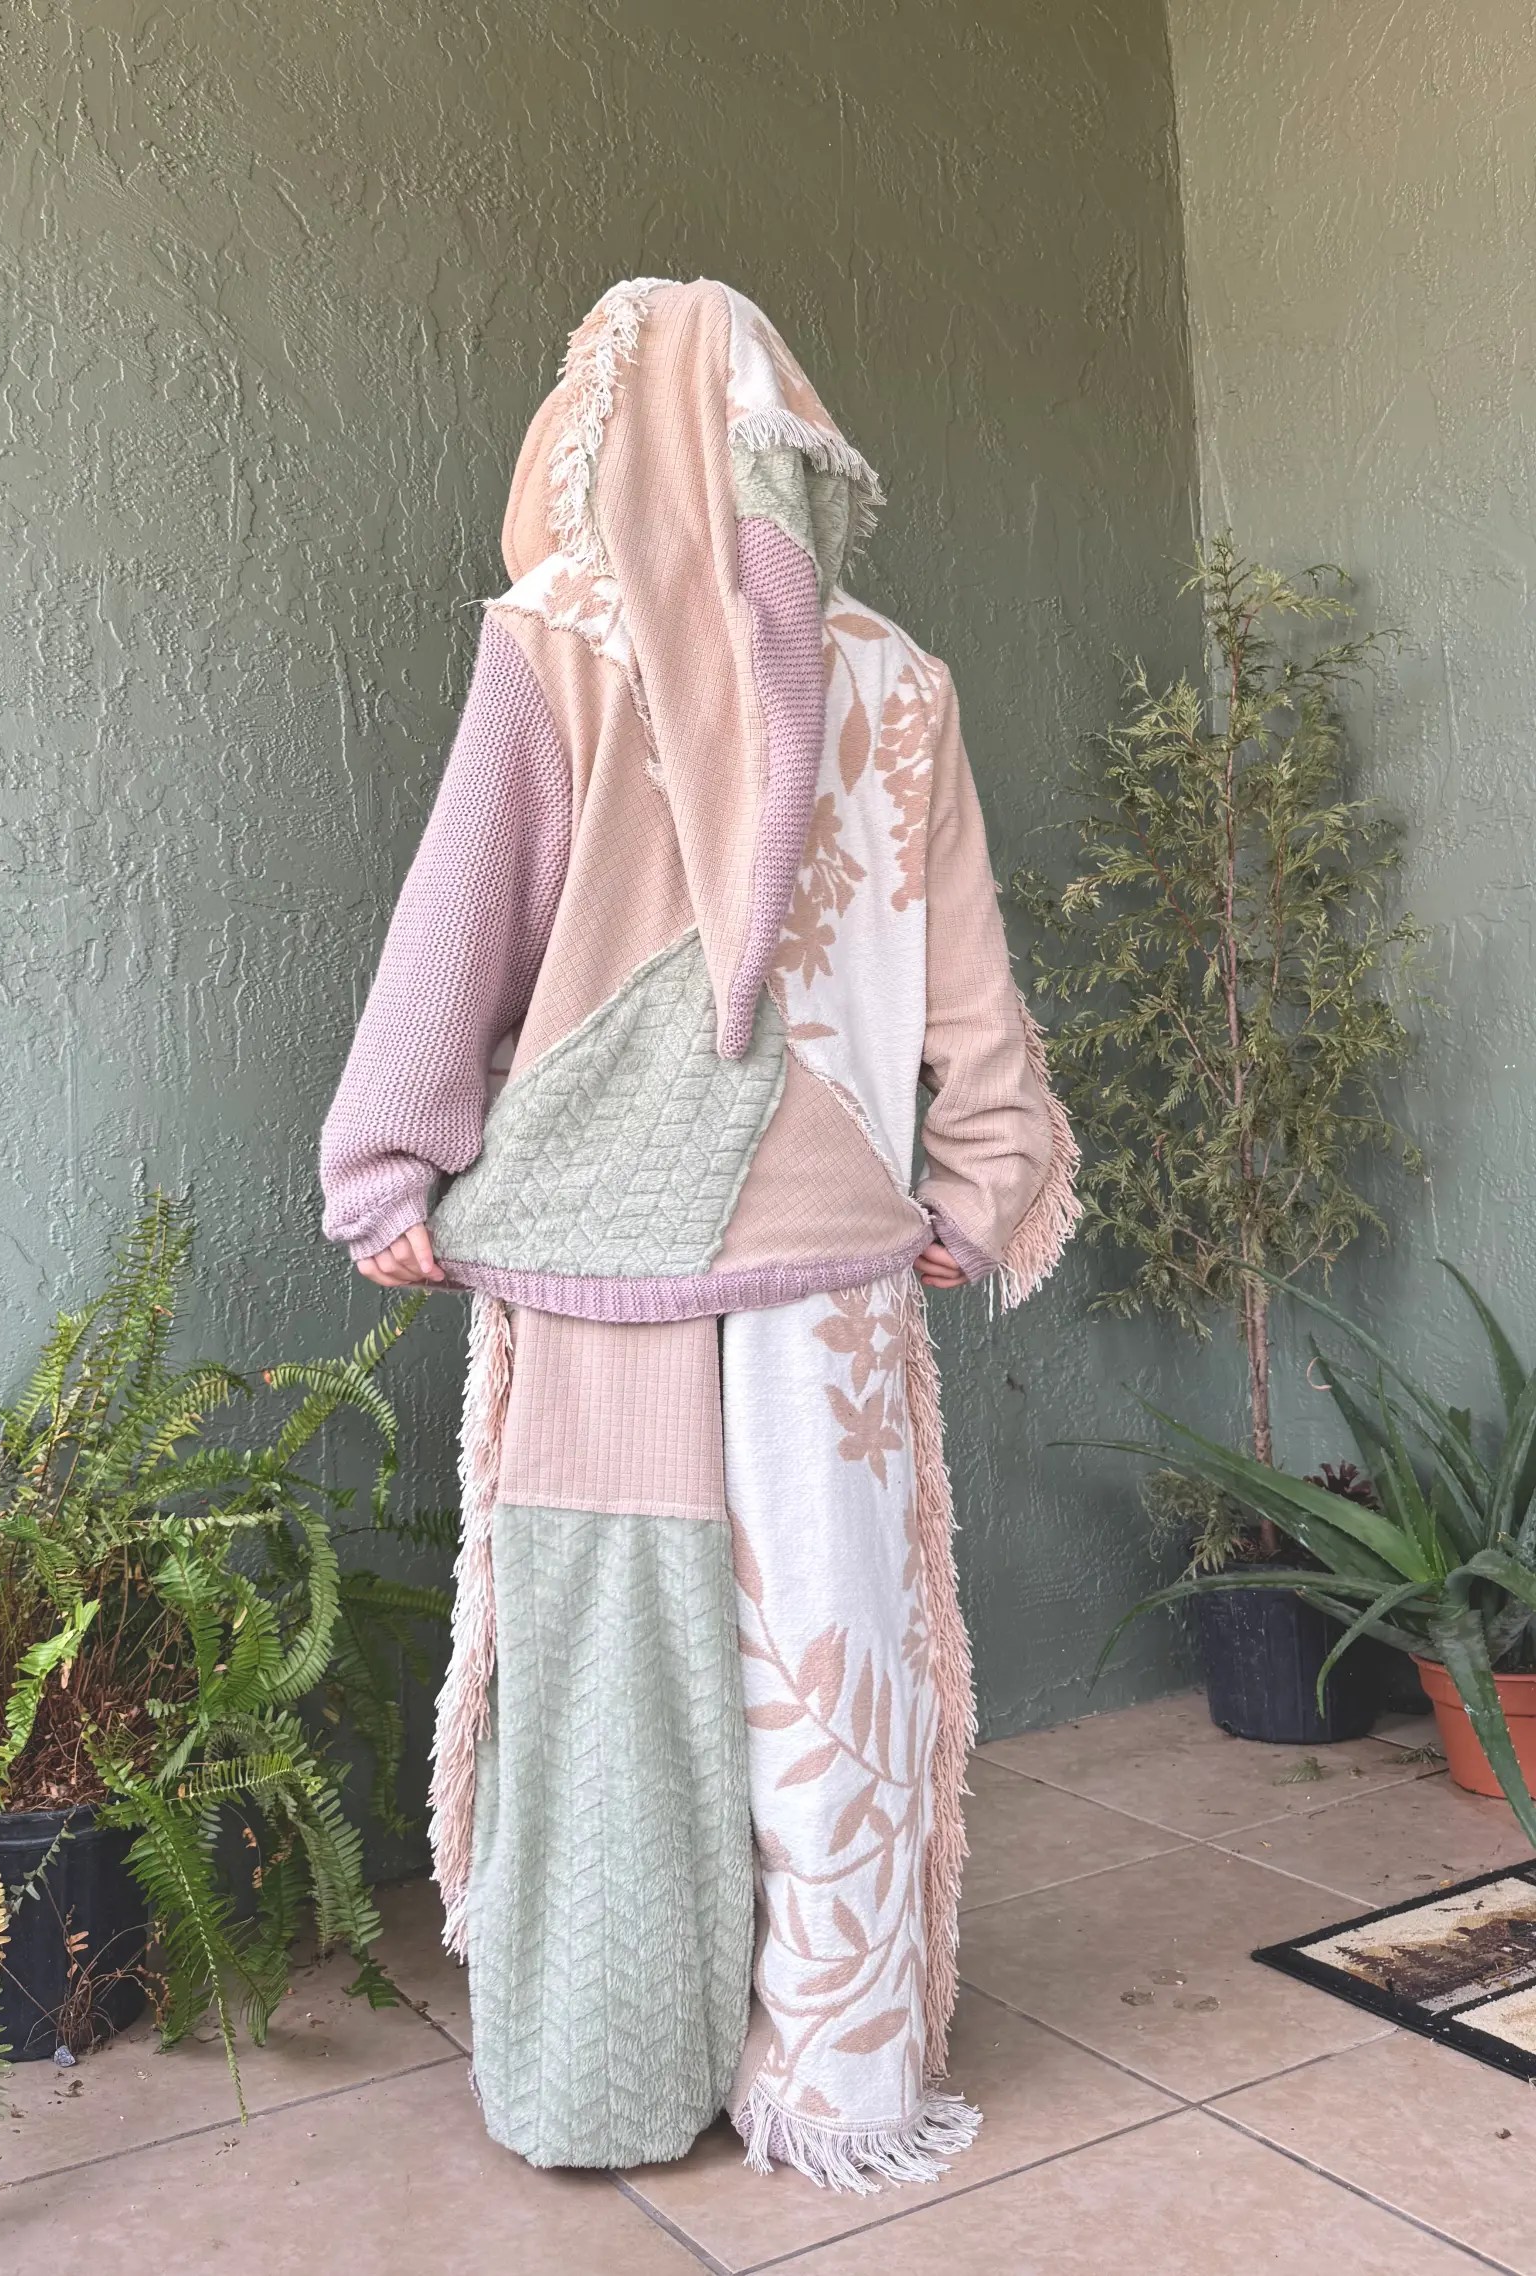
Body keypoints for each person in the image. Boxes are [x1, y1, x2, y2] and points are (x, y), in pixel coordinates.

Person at [319, 278, 1078, 2191]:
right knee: (832, 1657)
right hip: (836, 1259)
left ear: (598, 427)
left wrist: (388, 1167)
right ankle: (838, 2081)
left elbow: (461, 919)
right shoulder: (898, 679)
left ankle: (607, 2077)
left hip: (607, 1260)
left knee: (615, 1679)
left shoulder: (555, 639)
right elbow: (971, 983)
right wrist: (980, 1185)